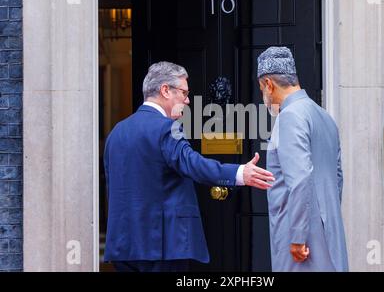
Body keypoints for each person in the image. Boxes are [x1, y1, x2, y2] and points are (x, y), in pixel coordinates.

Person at [103, 61, 274, 272]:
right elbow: (192, 163)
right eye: (183, 93)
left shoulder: (116, 132)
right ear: (165, 90)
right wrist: (239, 173)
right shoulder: (166, 128)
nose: (187, 100)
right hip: (162, 246)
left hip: (124, 245)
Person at [257, 47, 348, 272]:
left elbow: (299, 179)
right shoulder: (324, 116)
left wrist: (297, 236)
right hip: (329, 233)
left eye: (261, 89)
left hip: (302, 240)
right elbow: (337, 178)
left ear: (269, 84)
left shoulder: (289, 116)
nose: (264, 97)